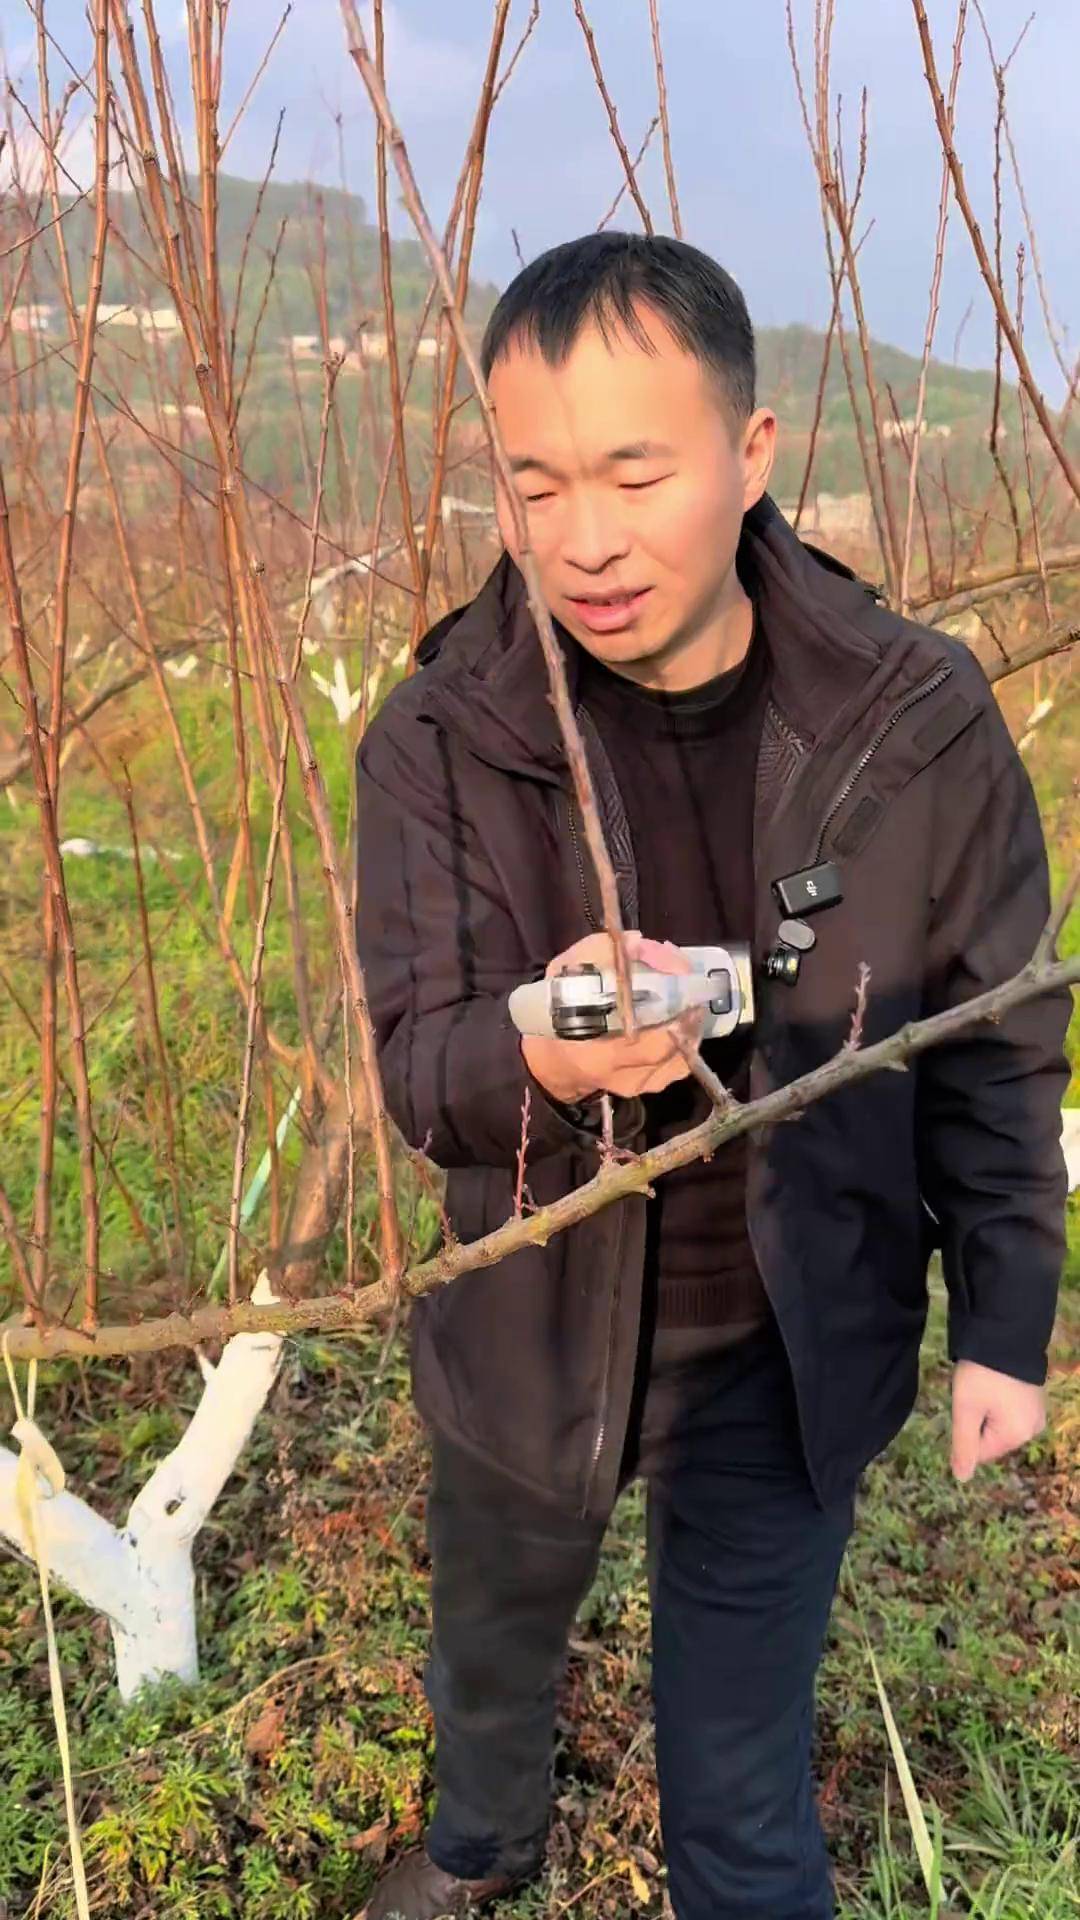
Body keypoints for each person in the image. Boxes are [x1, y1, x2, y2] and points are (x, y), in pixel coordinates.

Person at [353, 233, 1071, 1920]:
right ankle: (482, 1844)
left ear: (752, 457)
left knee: (741, 1793)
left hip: (788, 1332)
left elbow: (991, 1037)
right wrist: (539, 1045)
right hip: (529, 1317)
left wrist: (1005, 1323)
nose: (583, 540)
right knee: (493, 1649)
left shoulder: (915, 721)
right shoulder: (446, 740)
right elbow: (421, 1064)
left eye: (634, 471)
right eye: (534, 484)